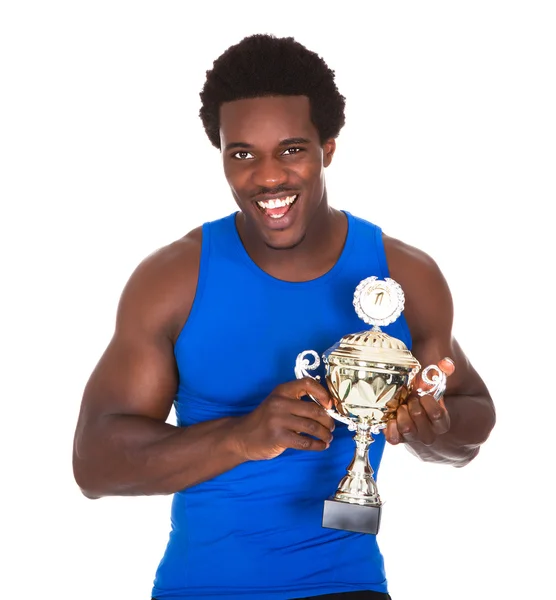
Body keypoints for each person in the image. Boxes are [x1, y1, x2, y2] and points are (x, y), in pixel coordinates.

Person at [72, 34, 496, 600]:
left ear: (328, 148)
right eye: (241, 154)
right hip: (204, 587)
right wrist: (242, 437)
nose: (268, 177)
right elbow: (94, 463)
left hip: (347, 585)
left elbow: (473, 417)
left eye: (291, 150)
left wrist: (428, 426)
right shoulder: (172, 281)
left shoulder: (404, 275)